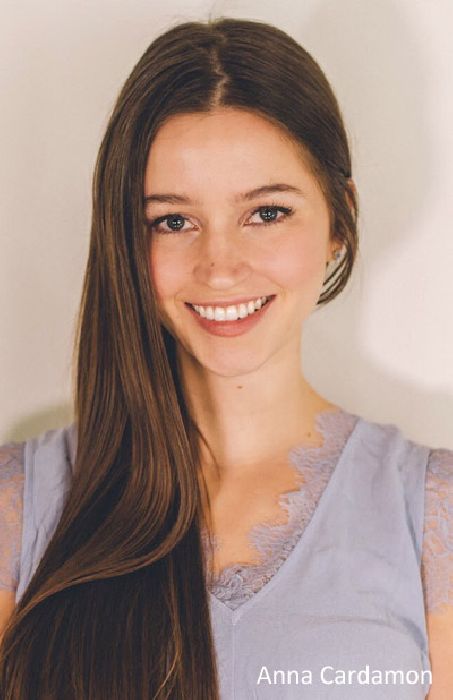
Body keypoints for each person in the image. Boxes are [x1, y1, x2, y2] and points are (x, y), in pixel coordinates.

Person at [0, 16, 451, 700]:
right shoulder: (19, 505)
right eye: (173, 221)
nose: (219, 267)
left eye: (266, 213)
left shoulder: (432, 514)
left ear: (338, 220)